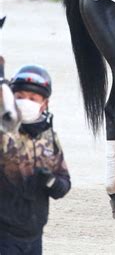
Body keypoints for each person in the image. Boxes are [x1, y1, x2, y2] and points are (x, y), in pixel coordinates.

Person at [0, 65, 71, 255]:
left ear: (44, 104)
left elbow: (64, 182)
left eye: (33, 99)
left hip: (34, 235)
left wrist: (51, 181)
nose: (25, 102)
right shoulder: (4, 132)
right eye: (20, 96)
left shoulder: (49, 139)